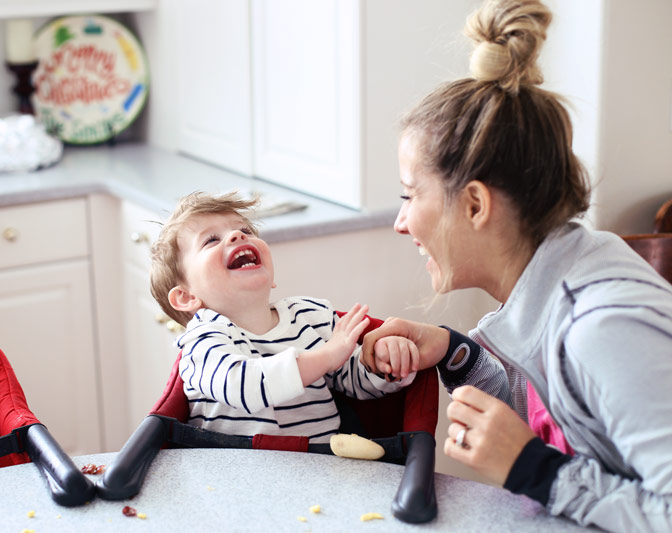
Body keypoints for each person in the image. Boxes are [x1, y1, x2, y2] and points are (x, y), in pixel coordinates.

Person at [359, 0, 672, 531]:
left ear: (476, 205)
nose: (402, 222)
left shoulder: (603, 328)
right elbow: (569, 416)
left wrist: (534, 470)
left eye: (411, 196)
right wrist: (457, 354)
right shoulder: (565, 275)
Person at [149, 192, 416, 444]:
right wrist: (327, 356)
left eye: (244, 230)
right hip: (232, 481)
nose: (235, 236)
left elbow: (357, 383)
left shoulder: (313, 317)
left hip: (320, 474)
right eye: (211, 240)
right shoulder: (201, 342)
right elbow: (244, 385)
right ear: (186, 297)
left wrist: (384, 362)